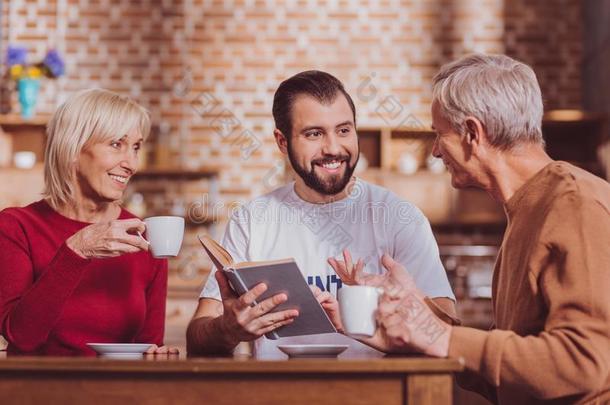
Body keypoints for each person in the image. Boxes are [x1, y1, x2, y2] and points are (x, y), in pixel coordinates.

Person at [329, 54, 610, 404]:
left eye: (439, 134)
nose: (434, 151)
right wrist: (418, 324)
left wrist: (441, 337)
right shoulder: (526, 210)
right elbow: (509, 372)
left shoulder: (575, 204)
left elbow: (584, 363)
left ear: (473, 134)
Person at [187, 70, 457, 358]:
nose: (333, 148)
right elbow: (197, 340)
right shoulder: (252, 220)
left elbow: (447, 335)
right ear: (282, 142)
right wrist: (226, 330)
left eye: (343, 130)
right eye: (314, 134)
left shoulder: (401, 217)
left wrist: (406, 308)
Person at [0, 89, 177, 356]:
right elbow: (22, 336)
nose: (131, 164)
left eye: (136, 147)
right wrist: (76, 251)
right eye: (117, 144)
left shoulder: (143, 234)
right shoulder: (16, 227)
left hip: (119, 394)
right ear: (72, 149)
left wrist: (158, 357)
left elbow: (149, 345)